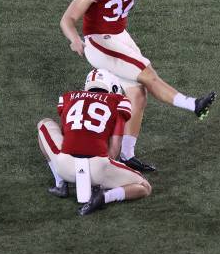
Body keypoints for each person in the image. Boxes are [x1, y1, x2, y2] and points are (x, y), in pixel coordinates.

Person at [60, 0, 220, 172]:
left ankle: (126, 155)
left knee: (138, 95)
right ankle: (194, 105)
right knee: (147, 74)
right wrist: (74, 38)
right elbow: (67, 18)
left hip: (118, 35)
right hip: (98, 40)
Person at [37, 68, 151, 216]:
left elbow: (67, 133)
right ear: (113, 87)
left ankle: (61, 184)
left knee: (44, 124)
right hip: (98, 169)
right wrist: (104, 173)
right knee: (144, 186)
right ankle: (104, 197)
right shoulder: (119, 102)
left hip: (64, 166)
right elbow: (115, 148)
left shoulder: (68, 97)